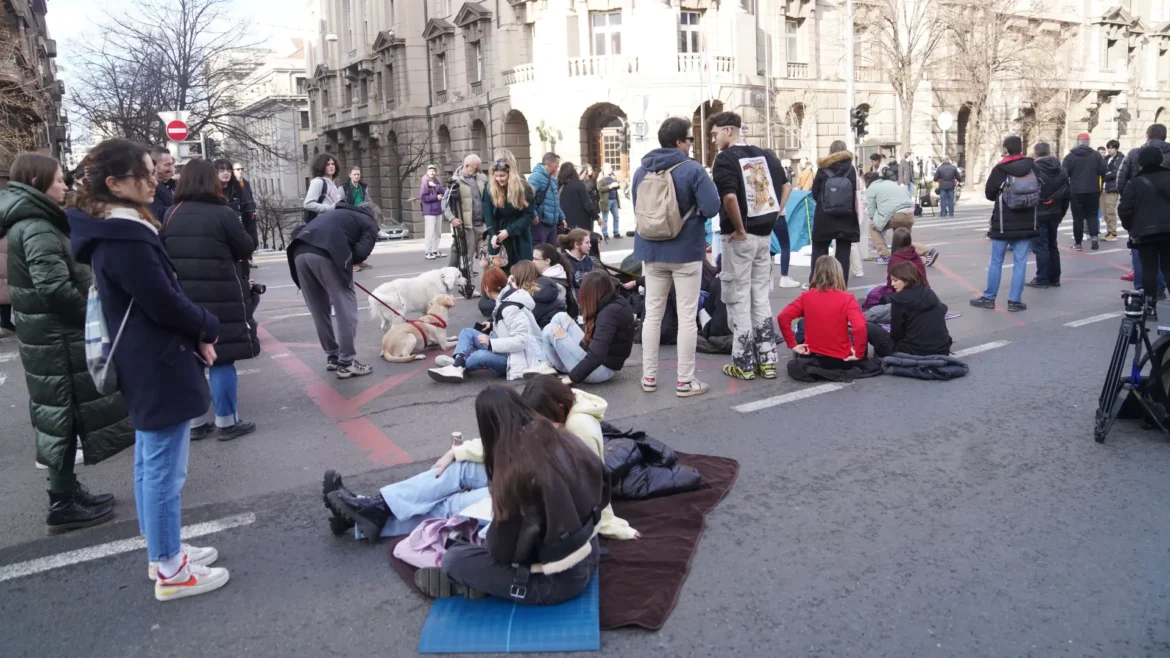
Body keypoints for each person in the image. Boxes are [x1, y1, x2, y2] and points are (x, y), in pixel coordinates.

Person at [68, 138, 228, 600]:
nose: (155, 176)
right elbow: (163, 300)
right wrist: (207, 325)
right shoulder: (123, 235)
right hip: (156, 359)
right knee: (162, 468)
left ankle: (165, 552)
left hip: (148, 356)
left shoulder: (115, 227)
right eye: (145, 171)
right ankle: (170, 570)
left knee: (151, 462)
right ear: (115, 184)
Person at [323, 381, 632, 551]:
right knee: (455, 470)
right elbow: (515, 441)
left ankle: (361, 519)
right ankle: (372, 506)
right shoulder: (559, 411)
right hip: (524, 475)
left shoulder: (580, 429)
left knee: (452, 504)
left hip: (535, 500)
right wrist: (457, 453)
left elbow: (592, 487)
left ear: (558, 409)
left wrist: (609, 525)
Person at [1, 151, 133, 533]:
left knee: (62, 414)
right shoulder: (37, 226)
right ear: (38, 183)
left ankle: (67, 491)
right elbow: (53, 288)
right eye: (59, 180)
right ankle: (61, 502)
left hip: (49, 337)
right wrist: (91, 318)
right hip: (58, 339)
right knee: (62, 416)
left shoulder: (32, 221)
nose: (65, 186)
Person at [161, 158, 260, 441]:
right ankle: (227, 422)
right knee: (222, 359)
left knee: (191, 360)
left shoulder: (170, 213)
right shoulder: (223, 213)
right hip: (222, 297)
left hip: (183, 297)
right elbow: (245, 248)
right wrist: (250, 226)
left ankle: (195, 422)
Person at [629, 117, 723, 395]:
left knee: (652, 316)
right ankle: (685, 380)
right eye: (690, 140)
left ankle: (649, 377)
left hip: (650, 251)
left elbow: (638, 206)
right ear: (680, 142)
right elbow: (712, 206)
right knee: (685, 317)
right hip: (685, 251)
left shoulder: (640, 171)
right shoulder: (692, 169)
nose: (691, 145)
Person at [708, 111, 789, 381]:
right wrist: (775, 214)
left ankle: (743, 362)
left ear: (729, 130)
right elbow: (787, 185)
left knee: (738, 298)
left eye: (715, 133)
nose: (713, 138)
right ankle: (767, 360)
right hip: (763, 235)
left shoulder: (725, 159)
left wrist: (740, 228)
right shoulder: (764, 155)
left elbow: (729, 197)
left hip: (738, 237)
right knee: (760, 297)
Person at [286, 199, 379, 378]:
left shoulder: (335, 213)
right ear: (375, 217)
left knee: (319, 310)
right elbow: (360, 254)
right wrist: (343, 256)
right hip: (327, 255)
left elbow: (297, 231)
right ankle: (346, 362)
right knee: (346, 308)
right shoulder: (369, 222)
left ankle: (333, 356)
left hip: (299, 253)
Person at [428, 261, 544, 382]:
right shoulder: (506, 298)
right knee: (467, 332)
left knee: (478, 356)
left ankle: (457, 364)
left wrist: (491, 344)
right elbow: (511, 326)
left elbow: (522, 340)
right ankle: (458, 365)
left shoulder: (510, 307)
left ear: (487, 288)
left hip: (516, 358)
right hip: (508, 349)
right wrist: (493, 325)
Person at [526, 271, 635, 385]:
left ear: (591, 293)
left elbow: (597, 354)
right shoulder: (615, 301)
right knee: (560, 317)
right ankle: (546, 364)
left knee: (550, 330)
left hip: (601, 371)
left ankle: (548, 364)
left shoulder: (609, 314)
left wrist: (571, 379)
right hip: (601, 362)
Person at [971, 136, 1037, 312]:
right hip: (1027, 221)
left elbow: (990, 194)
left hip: (1003, 222)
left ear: (1006, 150)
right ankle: (1014, 301)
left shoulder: (1001, 168)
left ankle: (990, 297)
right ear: (1021, 149)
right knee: (1020, 262)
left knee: (996, 261)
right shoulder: (1032, 166)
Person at [778, 255, 868, 365]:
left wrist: (792, 344)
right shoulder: (847, 298)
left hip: (814, 356)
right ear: (838, 273)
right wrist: (859, 353)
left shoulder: (806, 296)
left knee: (802, 323)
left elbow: (783, 317)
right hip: (840, 359)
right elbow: (860, 326)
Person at [1119, 145, 1170, 319]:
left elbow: (1125, 209)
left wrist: (1130, 227)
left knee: (1149, 269)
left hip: (1145, 234)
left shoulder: (1134, 183)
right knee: (1168, 268)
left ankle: (1150, 308)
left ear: (1140, 163)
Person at [866, 261, 953, 358]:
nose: (892, 284)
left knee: (867, 326)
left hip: (910, 352)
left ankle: (861, 356)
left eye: (895, 280)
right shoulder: (929, 292)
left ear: (906, 279)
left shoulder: (898, 299)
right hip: (942, 349)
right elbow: (943, 309)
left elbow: (897, 334)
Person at [810, 140, 860, 288]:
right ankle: (840, 287)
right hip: (847, 217)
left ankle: (817, 286)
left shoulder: (822, 169)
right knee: (843, 254)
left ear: (830, 151)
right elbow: (855, 192)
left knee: (819, 251)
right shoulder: (851, 169)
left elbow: (814, 193)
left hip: (824, 217)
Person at [864, 170, 938, 265]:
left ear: (867, 181)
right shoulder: (891, 183)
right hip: (909, 213)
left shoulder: (871, 188)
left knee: (873, 227)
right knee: (901, 240)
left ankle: (884, 255)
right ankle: (929, 251)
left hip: (896, 214)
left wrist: (876, 220)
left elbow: (871, 211)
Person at [1027, 142, 1071, 289]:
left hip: (1038, 213)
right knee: (1052, 245)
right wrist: (1061, 213)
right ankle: (1055, 277)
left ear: (1035, 154)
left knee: (1041, 247)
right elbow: (1067, 195)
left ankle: (1042, 278)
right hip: (1055, 213)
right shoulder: (1061, 170)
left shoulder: (1033, 170)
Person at [484, 153, 535, 272]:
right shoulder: (490, 188)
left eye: (502, 175)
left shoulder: (524, 188)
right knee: (497, 270)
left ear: (510, 174)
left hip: (519, 233)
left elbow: (529, 215)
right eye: (496, 176)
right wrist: (492, 234)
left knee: (522, 269)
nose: (499, 179)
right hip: (497, 233)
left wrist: (509, 231)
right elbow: (487, 212)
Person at [449, 154, 488, 292]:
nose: (477, 171)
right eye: (475, 168)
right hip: (467, 226)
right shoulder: (455, 181)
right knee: (468, 258)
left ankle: (488, 285)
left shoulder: (481, 178)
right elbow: (445, 203)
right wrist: (452, 218)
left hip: (482, 225)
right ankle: (468, 286)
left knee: (486, 256)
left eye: (478, 168)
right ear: (466, 166)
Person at [1062, 132, 1107, 251]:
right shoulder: (1096, 155)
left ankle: (1078, 243)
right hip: (1093, 190)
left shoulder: (1070, 157)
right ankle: (1094, 237)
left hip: (1076, 190)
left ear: (1077, 142)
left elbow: (1064, 173)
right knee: (1092, 215)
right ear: (1088, 143)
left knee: (1078, 218)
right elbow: (1104, 170)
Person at [531, 243, 577, 326]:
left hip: (551, 326)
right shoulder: (556, 275)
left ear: (547, 261)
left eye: (535, 259)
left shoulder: (552, 285)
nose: (532, 262)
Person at [529, 152, 565, 247]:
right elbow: (527, 198)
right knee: (538, 251)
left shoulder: (552, 179)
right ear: (550, 164)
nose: (558, 166)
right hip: (540, 223)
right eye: (556, 164)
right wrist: (534, 215)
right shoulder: (536, 177)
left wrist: (562, 217)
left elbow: (555, 201)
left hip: (552, 224)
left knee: (552, 252)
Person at [303, 153, 345, 223]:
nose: (331, 166)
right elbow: (308, 204)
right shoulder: (318, 182)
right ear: (321, 166)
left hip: (334, 222)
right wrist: (330, 208)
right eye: (328, 164)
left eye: (333, 164)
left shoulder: (332, 183)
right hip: (324, 223)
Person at [558, 162, 596, 233]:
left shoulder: (558, 185)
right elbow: (587, 203)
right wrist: (596, 217)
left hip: (563, 220)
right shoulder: (578, 184)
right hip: (580, 221)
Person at [419, 164, 447, 260]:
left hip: (438, 210)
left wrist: (437, 186)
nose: (432, 172)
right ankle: (428, 251)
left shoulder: (436, 181)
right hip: (429, 211)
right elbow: (423, 197)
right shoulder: (425, 183)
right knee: (429, 233)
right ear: (427, 172)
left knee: (438, 233)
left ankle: (435, 250)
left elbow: (444, 192)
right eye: (430, 170)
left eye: (434, 171)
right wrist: (436, 197)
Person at [230, 163, 258, 251]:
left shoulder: (246, 183)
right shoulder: (232, 185)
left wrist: (252, 209)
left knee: (251, 235)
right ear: (233, 171)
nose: (240, 171)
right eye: (237, 169)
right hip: (238, 212)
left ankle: (249, 255)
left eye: (242, 169)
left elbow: (250, 197)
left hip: (249, 212)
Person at [1101, 140, 1124, 242]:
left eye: (1111, 148)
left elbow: (1115, 172)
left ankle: (1113, 233)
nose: (1109, 150)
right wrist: (1106, 174)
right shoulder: (1106, 159)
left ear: (1116, 148)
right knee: (1105, 212)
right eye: (1108, 148)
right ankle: (1109, 231)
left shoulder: (1120, 158)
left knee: (1110, 211)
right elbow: (1101, 170)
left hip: (1112, 188)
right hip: (1103, 188)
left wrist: (1106, 175)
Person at [148, 145, 176, 222]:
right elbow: (158, 213)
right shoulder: (149, 188)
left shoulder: (175, 184)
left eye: (172, 164)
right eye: (167, 165)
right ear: (154, 165)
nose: (171, 169)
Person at [598, 163, 621, 238]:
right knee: (605, 218)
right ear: (604, 169)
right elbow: (600, 188)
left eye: (611, 168)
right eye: (610, 168)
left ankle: (616, 232)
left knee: (616, 217)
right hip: (606, 201)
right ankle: (605, 233)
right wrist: (611, 186)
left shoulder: (613, 176)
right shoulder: (601, 178)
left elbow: (616, 187)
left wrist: (617, 185)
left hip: (614, 200)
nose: (611, 169)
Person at [581, 164, 602, 231]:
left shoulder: (591, 179)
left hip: (593, 203)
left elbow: (596, 191)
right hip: (587, 205)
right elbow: (587, 188)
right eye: (590, 170)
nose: (591, 171)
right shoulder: (583, 180)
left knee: (591, 224)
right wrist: (592, 180)